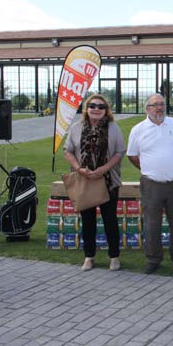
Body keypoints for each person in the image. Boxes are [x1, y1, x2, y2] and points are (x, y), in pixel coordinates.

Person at [127, 93, 173, 274]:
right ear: (147, 109)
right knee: (152, 224)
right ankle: (153, 259)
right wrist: (149, 168)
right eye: (155, 105)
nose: (159, 108)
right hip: (151, 185)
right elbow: (132, 155)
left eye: (162, 104)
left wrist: (172, 166)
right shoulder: (138, 129)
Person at [64, 94, 125, 272]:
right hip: (85, 181)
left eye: (101, 106)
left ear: (106, 110)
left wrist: (104, 169)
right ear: (86, 108)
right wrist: (78, 168)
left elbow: (120, 152)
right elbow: (67, 151)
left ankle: (114, 257)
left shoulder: (113, 128)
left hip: (108, 181)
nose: (96, 109)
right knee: (87, 221)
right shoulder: (76, 128)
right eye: (92, 105)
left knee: (110, 220)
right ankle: (89, 256)